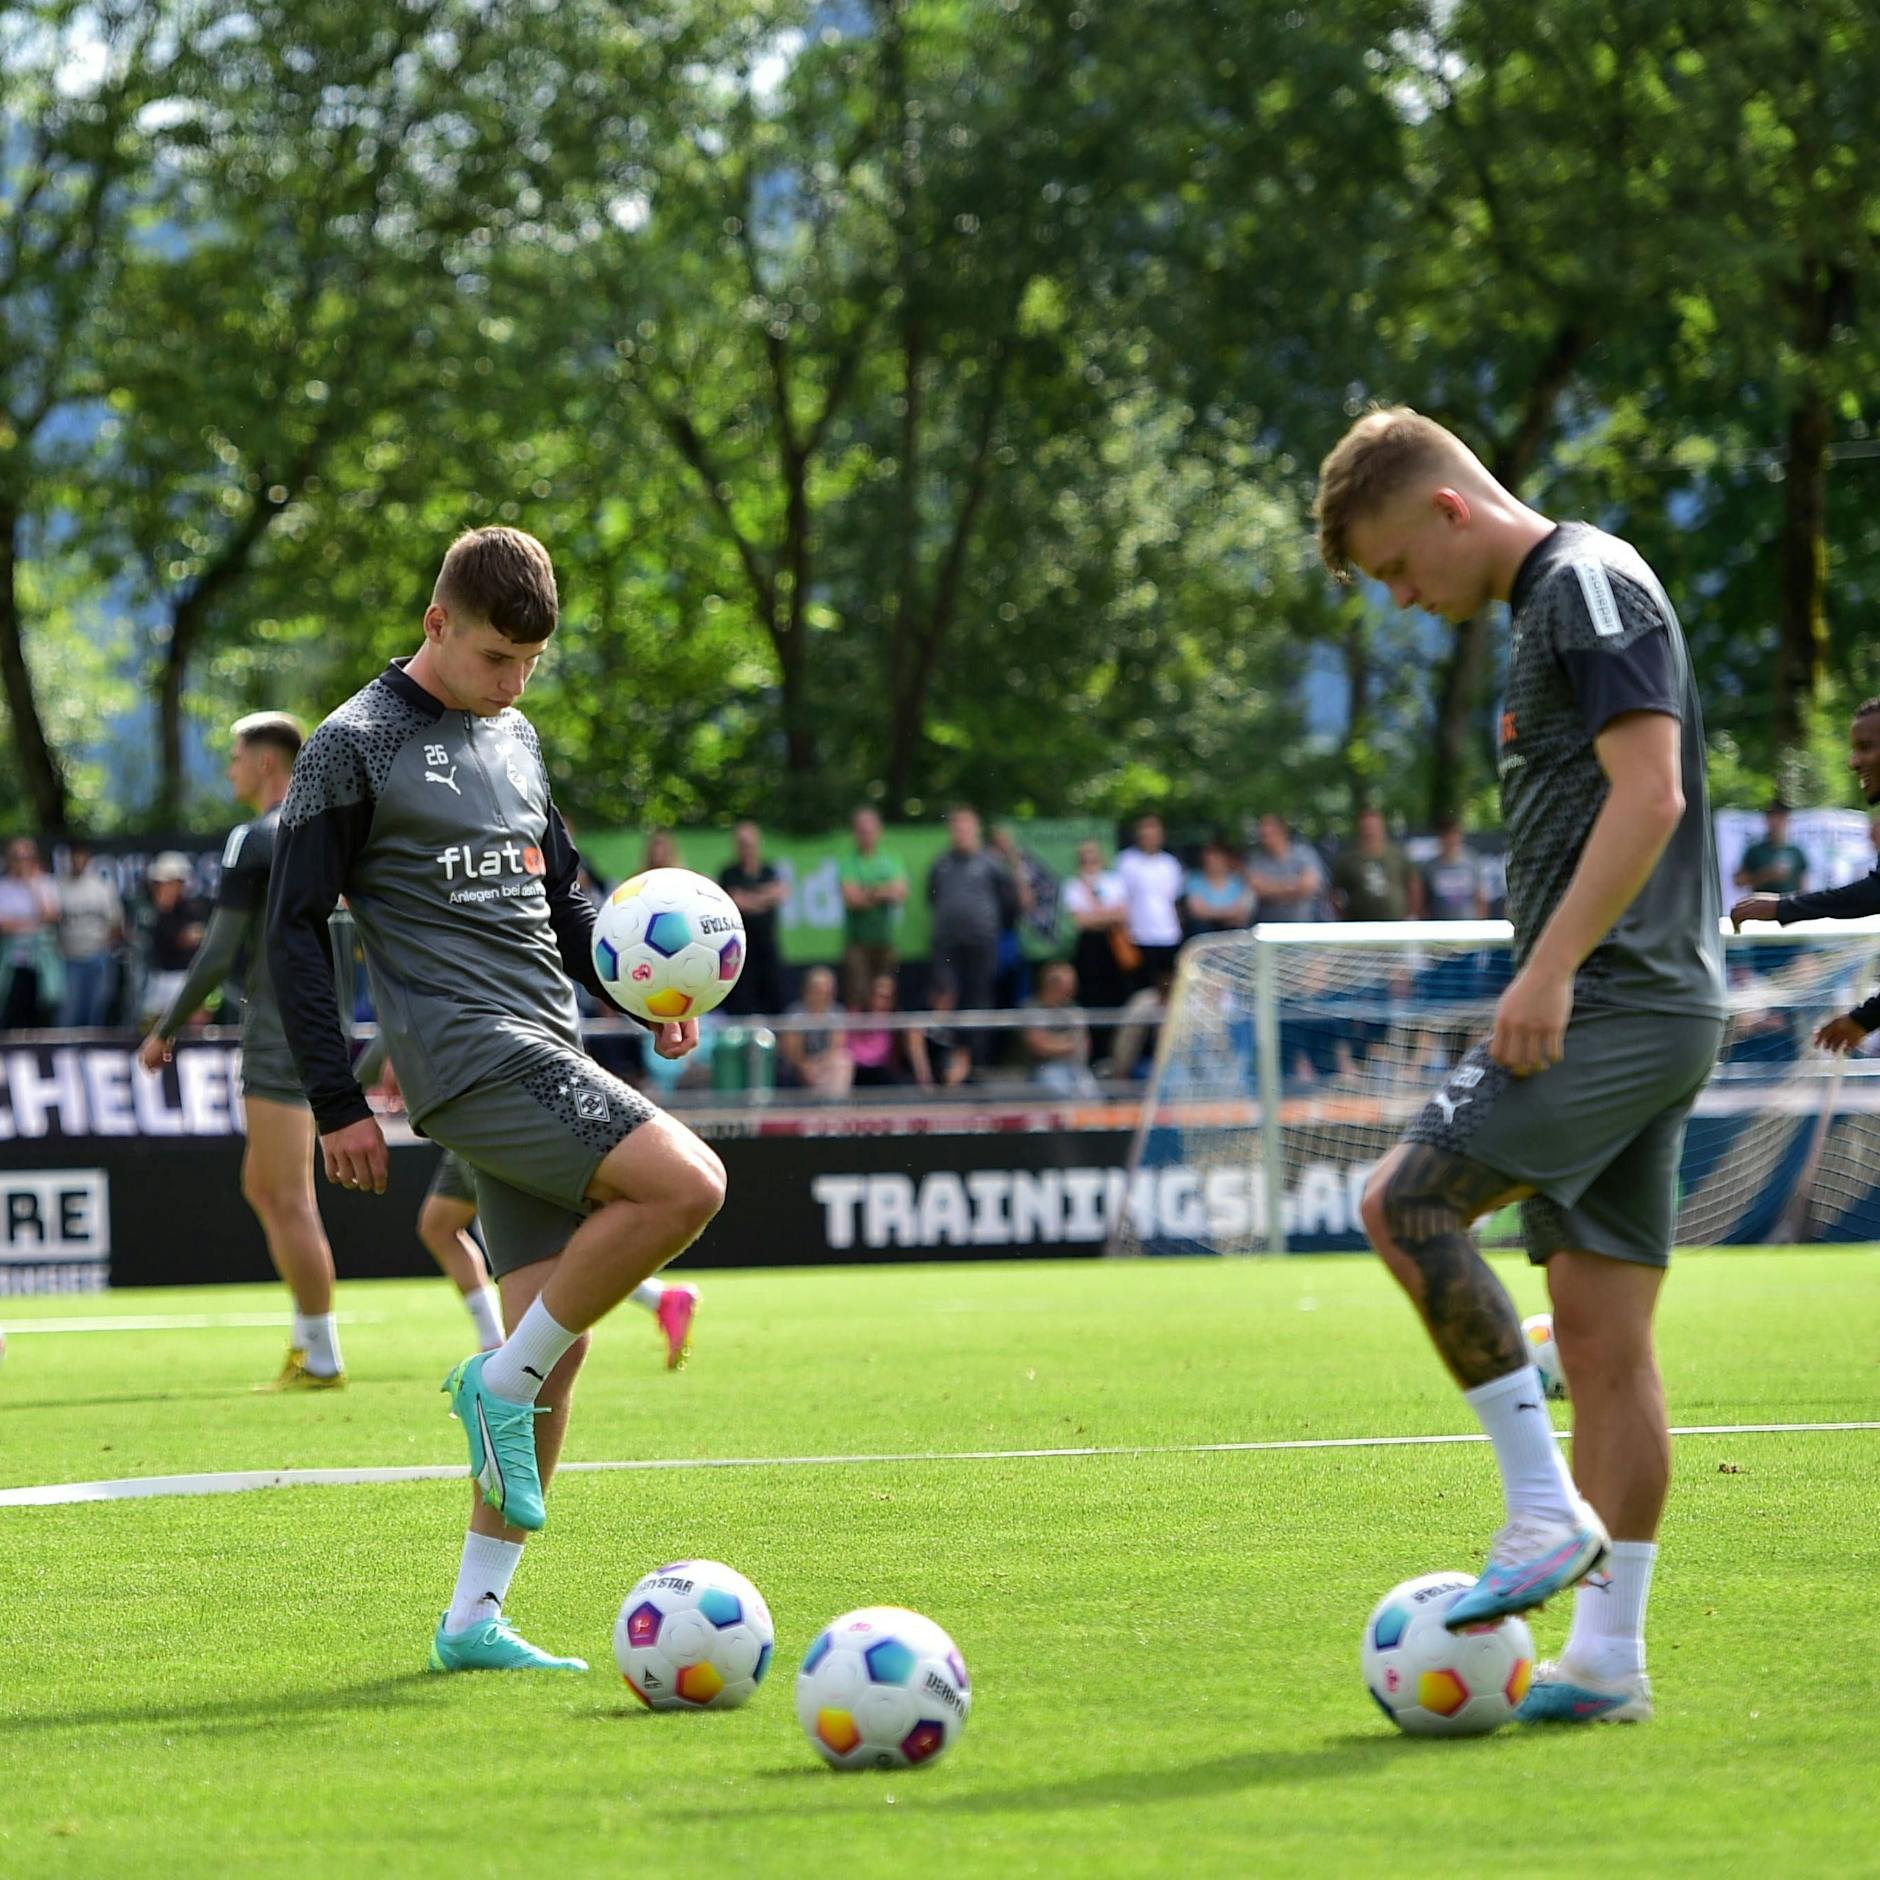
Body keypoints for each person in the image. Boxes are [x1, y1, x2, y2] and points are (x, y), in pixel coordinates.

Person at [1317, 405, 1727, 1725]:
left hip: (1617, 1001)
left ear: (1449, 510)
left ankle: (1542, 1510)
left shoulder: (1584, 582)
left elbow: (1650, 791)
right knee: (1602, 1342)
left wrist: (1546, 971)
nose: (1403, 598)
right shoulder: (1551, 602)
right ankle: (1607, 1659)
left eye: (1397, 567)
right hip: (1641, 1003)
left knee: (1401, 1202)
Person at [267, 525, 724, 1675]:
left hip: (545, 1042)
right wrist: (334, 1098)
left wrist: (644, 988)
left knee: (554, 1348)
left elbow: (562, 902)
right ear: (436, 623)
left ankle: (473, 1617)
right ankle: (495, 1379)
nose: (512, 681)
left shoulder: (515, 737)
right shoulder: (350, 745)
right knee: (688, 1183)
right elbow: (291, 930)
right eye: (493, 657)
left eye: (528, 662)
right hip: (467, 1054)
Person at [136, 715, 354, 1388]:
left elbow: (216, 953)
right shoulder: (328, 832)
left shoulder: (253, 837)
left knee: (289, 1198)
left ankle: (321, 1354)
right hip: (319, 1024)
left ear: (265, 764)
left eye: (234, 758)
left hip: (281, 1029)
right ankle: (308, 1342)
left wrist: (166, 1028)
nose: (229, 769)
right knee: (262, 1186)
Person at [1732, 700, 1880, 1053]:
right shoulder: (1756, 850)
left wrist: (1784, 908)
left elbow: (1875, 892)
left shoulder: (1795, 854)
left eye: (1866, 747)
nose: (1853, 761)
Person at [926, 806, 1017, 1063]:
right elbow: (931, 897)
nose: (961, 832)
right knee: (945, 995)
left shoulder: (992, 864)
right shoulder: (941, 864)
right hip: (946, 942)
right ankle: (944, 1061)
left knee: (978, 999)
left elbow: (1009, 902)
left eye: (965, 827)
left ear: (976, 829)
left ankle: (975, 1061)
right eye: (956, 827)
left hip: (982, 941)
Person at [839, 807, 908, 1009]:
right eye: (861, 831)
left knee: (885, 996)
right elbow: (852, 899)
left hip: (886, 941)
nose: (866, 836)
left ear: (879, 831)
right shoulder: (848, 861)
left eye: (869, 831)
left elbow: (901, 892)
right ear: (855, 833)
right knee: (858, 994)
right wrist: (883, 891)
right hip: (857, 943)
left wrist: (868, 892)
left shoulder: (891, 858)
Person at [719, 820, 787, 1016]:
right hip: (740, 950)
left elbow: (780, 893)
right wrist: (764, 897)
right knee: (742, 1002)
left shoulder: (769, 871)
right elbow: (736, 901)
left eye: (749, 844)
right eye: (742, 844)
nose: (746, 849)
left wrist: (749, 898)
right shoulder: (729, 873)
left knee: (775, 997)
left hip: (767, 946)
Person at [55, 845, 124, 1028]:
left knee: (95, 1011)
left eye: (81, 856)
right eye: (74, 857)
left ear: (87, 858)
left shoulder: (101, 886)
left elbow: (116, 922)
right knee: (69, 1013)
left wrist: (103, 946)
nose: (77, 861)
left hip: (97, 957)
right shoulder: (59, 886)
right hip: (68, 958)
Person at [135, 853, 207, 1025]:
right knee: (151, 1025)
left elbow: (193, 938)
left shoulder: (191, 909)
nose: (163, 888)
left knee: (194, 1022)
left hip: (184, 976)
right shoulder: (149, 910)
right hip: (156, 978)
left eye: (169, 883)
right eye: (159, 884)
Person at [1115, 813, 1185, 987]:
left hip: (1168, 935)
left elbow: (1175, 900)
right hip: (1137, 936)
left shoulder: (1170, 863)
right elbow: (1120, 899)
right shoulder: (1125, 861)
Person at [0, 837, 61, 1029]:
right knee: (12, 1016)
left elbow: (50, 916)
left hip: (42, 965)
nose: (22, 862)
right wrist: (34, 924)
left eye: (27, 857)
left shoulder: (45, 883)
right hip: (12, 964)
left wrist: (32, 886)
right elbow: (3, 925)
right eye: (17, 857)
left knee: (42, 1015)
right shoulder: (3, 887)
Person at [1331, 807, 1424, 921]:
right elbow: (1334, 893)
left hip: (1396, 923)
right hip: (1360, 925)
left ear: (1382, 828)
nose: (1370, 831)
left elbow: (1414, 884)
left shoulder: (1398, 855)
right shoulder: (1346, 860)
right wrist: (1344, 919)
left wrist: (1411, 914)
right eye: (1366, 827)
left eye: (1373, 827)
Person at [1023, 960, 1099, 1096]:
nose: (1073, 987)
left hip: (1075, 1066)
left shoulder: (1073, 1009)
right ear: (1053, 984)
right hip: (1044, 1067)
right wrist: (1068, 1044)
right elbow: (1039, 1046)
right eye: (1069, 983)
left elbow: (1084, 1045)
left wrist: (1055, 1042)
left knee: (1094, 1097)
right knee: (1062, 1092)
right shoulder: (1033, 1007)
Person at [777, 964, 853, 1097]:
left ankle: (836, 1104)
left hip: (823, 1066)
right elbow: (790, 1051)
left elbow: (836, 1046)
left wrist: (821, 1065)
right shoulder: (795, 1014)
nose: (822, 995)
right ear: (807, 990)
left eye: (827, 991)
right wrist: (805, 1067)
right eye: (818, 990)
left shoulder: (836, 1013)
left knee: (843, 1060)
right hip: (797, 1068)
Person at [844, 971, 930, 1088]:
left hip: (883, 1071)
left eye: (887, 997)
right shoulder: (856, 1014)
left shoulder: (896, 1019)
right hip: (858, 1070)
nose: (882, 1002)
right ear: (870, 995)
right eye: (879, 995)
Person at [1245, 813, 1323, 921]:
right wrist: (1295, 885)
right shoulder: (1256, 861)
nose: (1264, 839)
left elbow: (1309, 885)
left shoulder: (1303, 853)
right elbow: (1257, 888)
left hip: (1304, 925)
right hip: (1267, 927)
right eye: (1262, 835)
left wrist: (1270, 887)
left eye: (1268, 833)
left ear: (1282, 831)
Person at [1731, 799, 1807, 899]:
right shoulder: (1755, 850)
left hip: (1788, 904)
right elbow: (1739, 882)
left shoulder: (1796, 851)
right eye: (1773, 817)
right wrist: (1767, 875)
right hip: (1762, 905)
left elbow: (1803, 886)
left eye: (1781, 818)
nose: (1777, 822)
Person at [1184, 836, 1256, 937]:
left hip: (1233, 933)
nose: (1212, 862)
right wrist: (1228, 914)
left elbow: (1242, 913)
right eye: (1209, 858)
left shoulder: (1239, 881)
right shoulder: (1194, 880)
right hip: (1204, 935)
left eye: (1217, 857)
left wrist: (1212, 913)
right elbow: (1197, 911)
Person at [1422, 816, 1490, 921]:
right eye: (1447, 836)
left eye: (1454, 834)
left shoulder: (1471, 861)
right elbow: (1423, 902)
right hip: (1440, 924)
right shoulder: (1430, 867)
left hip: (1468, 923)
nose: (1451, 839)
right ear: (1441, 838)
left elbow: (1480, 897)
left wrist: (1481, 922)